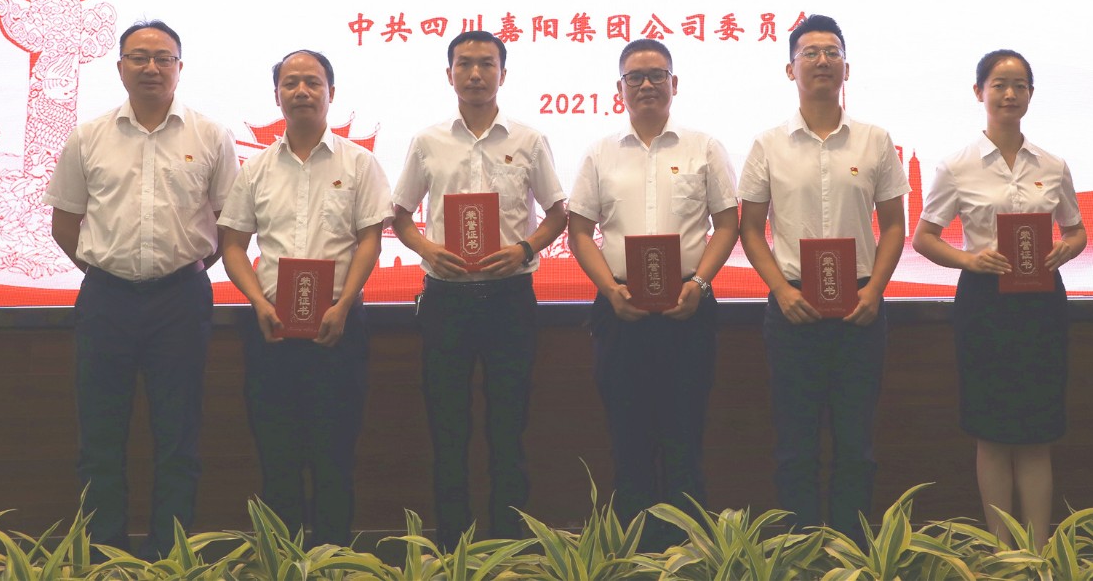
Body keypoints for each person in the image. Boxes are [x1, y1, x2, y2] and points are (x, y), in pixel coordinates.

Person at [45, 20, 239, 557]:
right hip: (106, 300)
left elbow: (229, 223)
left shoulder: (211, 135)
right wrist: (106, 269)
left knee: (178, 436)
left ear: (179, 67)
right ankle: (102, 553)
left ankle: (170, 556)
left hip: (180, 300)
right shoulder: (89, 136)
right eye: (139, 57)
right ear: (120, 67)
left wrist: (185, 267)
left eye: (162, 58)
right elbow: (65, 223)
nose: (151, 67)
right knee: (100, 438)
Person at [390, 30, 568, 548]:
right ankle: (453, 547)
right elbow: (399, 216)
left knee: (508, 431)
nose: (474, 74)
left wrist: (525, 248)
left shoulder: (529, 140)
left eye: (486, 64)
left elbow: (558, 213)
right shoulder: (427, 142)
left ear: (503, 74)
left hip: (509, 300)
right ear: (449, 75)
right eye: (464, 64)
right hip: (446, 301)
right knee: (448, 432)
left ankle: (508, 547)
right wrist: (427, 249)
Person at [738, 14, 909, 543]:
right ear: (790, 69)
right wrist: (781, 291)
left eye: (832, 52)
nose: (821, 61)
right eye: (809, 53)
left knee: (857, 444)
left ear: (846, 69)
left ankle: (852, 555)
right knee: (796, 446)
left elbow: (895, 225)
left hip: (860, 307)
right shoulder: (768, 144)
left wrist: (875, 291)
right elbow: (749, 229)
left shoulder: (875, 140)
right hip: (793, 308)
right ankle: (801, 552)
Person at [566, 39, 740, 550]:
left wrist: (699, 283)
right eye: (635, 77)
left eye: (657, 75)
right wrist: (610, 290)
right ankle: (634, 555)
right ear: (619, 88)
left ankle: (689, 556)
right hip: (620, 309)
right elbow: (579, 231)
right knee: (629, 441)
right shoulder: (599, 153)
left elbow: (728, 224)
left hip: (689, 307)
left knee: (685, 438)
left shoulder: (704, 147)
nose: (646, 85)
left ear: (674, 83)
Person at [911, 49, 1087, 545]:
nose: (1010, 94)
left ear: (1031, 94)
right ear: (979, 92)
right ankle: (999, 552)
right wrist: (969, 260)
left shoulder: (1052, 165)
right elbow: (925, 237)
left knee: (1036, 432)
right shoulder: (957, 165)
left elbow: (1077, 231)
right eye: (999, 84)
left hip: (1041, 304)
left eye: (1019, 85)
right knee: (990, 431)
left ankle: (1038, 550)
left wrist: (1065, 250)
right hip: (985, 303)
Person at [218, 49, 391, 547]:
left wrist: (344, 304)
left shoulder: (358, 163)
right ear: (277, 96)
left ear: (330, 93)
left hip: (338, 327)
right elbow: (233, 245)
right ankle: (283, 558)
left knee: (336, 454)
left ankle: (333, 558)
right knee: (277, 455)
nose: (301, 91)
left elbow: (370, 240)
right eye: (290, 83)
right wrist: (257, 301)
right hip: (270, 329)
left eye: (312, 82)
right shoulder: (255, 168)